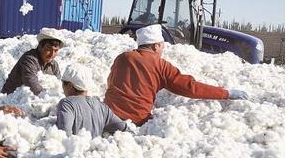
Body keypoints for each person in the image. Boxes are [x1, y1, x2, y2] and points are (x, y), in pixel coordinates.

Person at [104, 24, 249, 126]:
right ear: (156, 46)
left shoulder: (123, 57)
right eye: (162, 45)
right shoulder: (161, 65)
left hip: (107, 115)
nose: (163, 49)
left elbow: (111, 81)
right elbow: (190, 87)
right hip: (136, 120)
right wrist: (226, 93)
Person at [57, 64, 129, 136]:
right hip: (94, 147)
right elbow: (123, 128)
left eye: (63, 83)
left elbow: (64, 135)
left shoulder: (67, 104)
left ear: (70, 86)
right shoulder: (102, 107)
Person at [1, 27, 64, 95]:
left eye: (56, 50)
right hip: (11, 100)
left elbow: (59, 85)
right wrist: (50, 98)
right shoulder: (29, 59)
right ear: (40, 47)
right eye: (48, 49)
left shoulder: (53, 64)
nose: (52, 54)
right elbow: (32, 85)